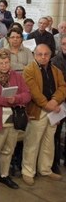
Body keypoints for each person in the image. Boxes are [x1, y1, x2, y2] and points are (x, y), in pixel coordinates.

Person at [0, 48, 31, 189]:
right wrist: (8, 101)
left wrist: (15, 99)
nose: (4, 65)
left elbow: (27, 95)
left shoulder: (16, 76)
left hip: (13, 118)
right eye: (1, 63)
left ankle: (4, 175)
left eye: (6, 62)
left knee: (9, 149)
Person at [21, 44, 66, 186]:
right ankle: (28, 172)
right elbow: (33, 91)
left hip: (54, 111)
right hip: (38, 110)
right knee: (32, 143)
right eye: (40, 54)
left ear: (50, 55)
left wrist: (54, 101)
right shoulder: (29, 70)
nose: (43, 57)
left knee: (49, 142)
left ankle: (45, 169)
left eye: (46, 54)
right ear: (35, 55)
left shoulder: (56, 70)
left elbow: (62, 87)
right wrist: (47, 105)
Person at [51, 34, 66, 173]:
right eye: (64, 44)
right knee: (56, 132)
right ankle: (54, 163)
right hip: (60, 100)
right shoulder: (55, 60)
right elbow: (57, 83)